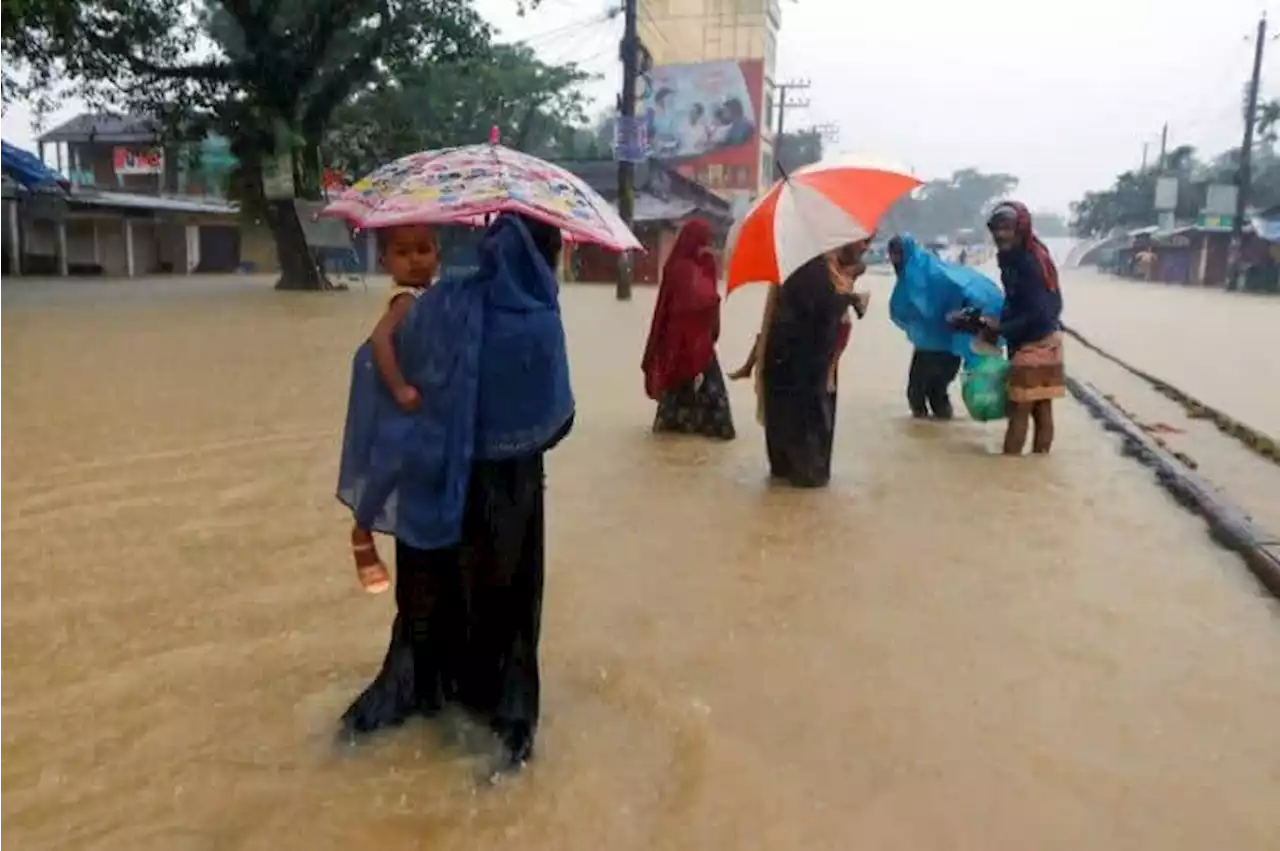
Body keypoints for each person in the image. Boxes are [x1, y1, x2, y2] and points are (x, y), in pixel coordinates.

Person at [336, 213, 574, 776]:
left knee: (432, 598)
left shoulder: (440, 305)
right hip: (508, 497)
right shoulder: (539, 319)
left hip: (436, 481)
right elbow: (558, 422)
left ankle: (417, 698)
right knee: (504, 601)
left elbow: (386, 366)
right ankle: (501, 719)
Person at [730, 244, 870, 487]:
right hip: (806, 364)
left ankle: (785, 469)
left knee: (783, 421)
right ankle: (806, 473)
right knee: (807, 426)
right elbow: (819, 309)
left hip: (784, 359)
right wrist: (850, 299)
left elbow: (775, 320)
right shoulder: (813, 269)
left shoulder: (791, 268)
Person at [349, 224, 440, 593]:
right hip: (399, 397)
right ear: (385, 260)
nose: (415, 259)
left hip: (422, 396)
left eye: (424, 249)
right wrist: (400, 388)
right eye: (403, 253)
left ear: (439, 254)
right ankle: (362, 531)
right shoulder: (405, 300)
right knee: (390, 462)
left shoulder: (432, 295)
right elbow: (380, 339)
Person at [888, 235, 1003, 420]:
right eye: (892, 253)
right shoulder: (918, 273)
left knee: (924, 395)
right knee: (930, 395)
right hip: (940, 344)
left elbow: (966, 291)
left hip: (940, 345)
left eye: (898, 253)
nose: (894, 258)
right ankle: (936, 438)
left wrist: (964, 313)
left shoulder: (929, 273)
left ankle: (927, 438)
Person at [642, 219, 735, 440]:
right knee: (709, 425)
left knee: (683, 426)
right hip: (682, 348)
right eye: (705, 242)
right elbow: (692, 304)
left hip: (695, 347)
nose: (708, 247)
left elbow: (707, 304)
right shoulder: (681, 269)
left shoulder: (701, 267)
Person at [984, 201, 1065, 455]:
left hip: (1035, 342)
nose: (1000, 234)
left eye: (1006, 228)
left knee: (1019, 410)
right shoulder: (1013, 257)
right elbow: (1018, 300)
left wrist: (1002, 328)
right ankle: (1038, 467)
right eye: (996, 229)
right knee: (1041, 407)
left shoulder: (1028, 262)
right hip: (1046, 338)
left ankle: (1009, 472)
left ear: (1020, 229)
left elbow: (1039, 310)